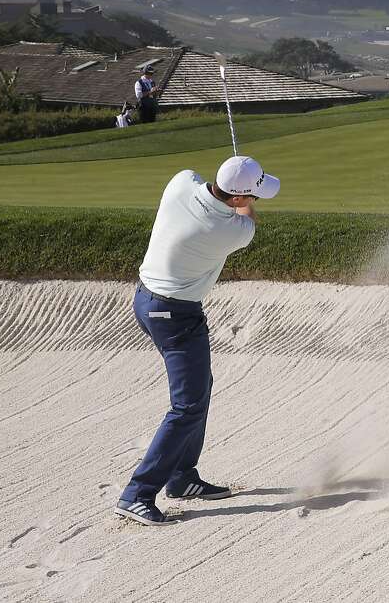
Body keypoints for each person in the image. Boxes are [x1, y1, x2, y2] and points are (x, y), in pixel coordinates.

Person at [114, 155, 280, 527]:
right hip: (174, 316)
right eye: (253, 195)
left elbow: (202, 181)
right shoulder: (232, 231)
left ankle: (182, 477)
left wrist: (237, 182)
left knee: (199, 388)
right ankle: (137, 494)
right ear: (239, 199)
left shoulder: (179, 183)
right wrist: (245, 204)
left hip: (146, 299)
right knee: (186, 406)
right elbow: (247, 219)